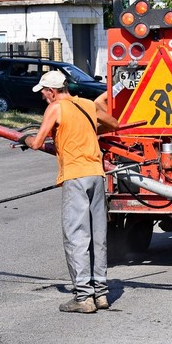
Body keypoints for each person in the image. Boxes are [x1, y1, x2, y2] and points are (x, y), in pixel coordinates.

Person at [23, 70, 118, 314]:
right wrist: (90, 133)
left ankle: (84, 297)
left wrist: (25, 139)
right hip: (97, 175)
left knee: (76, 235)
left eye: (44, 93)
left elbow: (36, 143)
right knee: (98, 236)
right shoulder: (87, 104)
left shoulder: (55, 108)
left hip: (76, 177)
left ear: (52, 92)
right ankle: (101, 294)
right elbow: (114, 124)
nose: (44, 97)